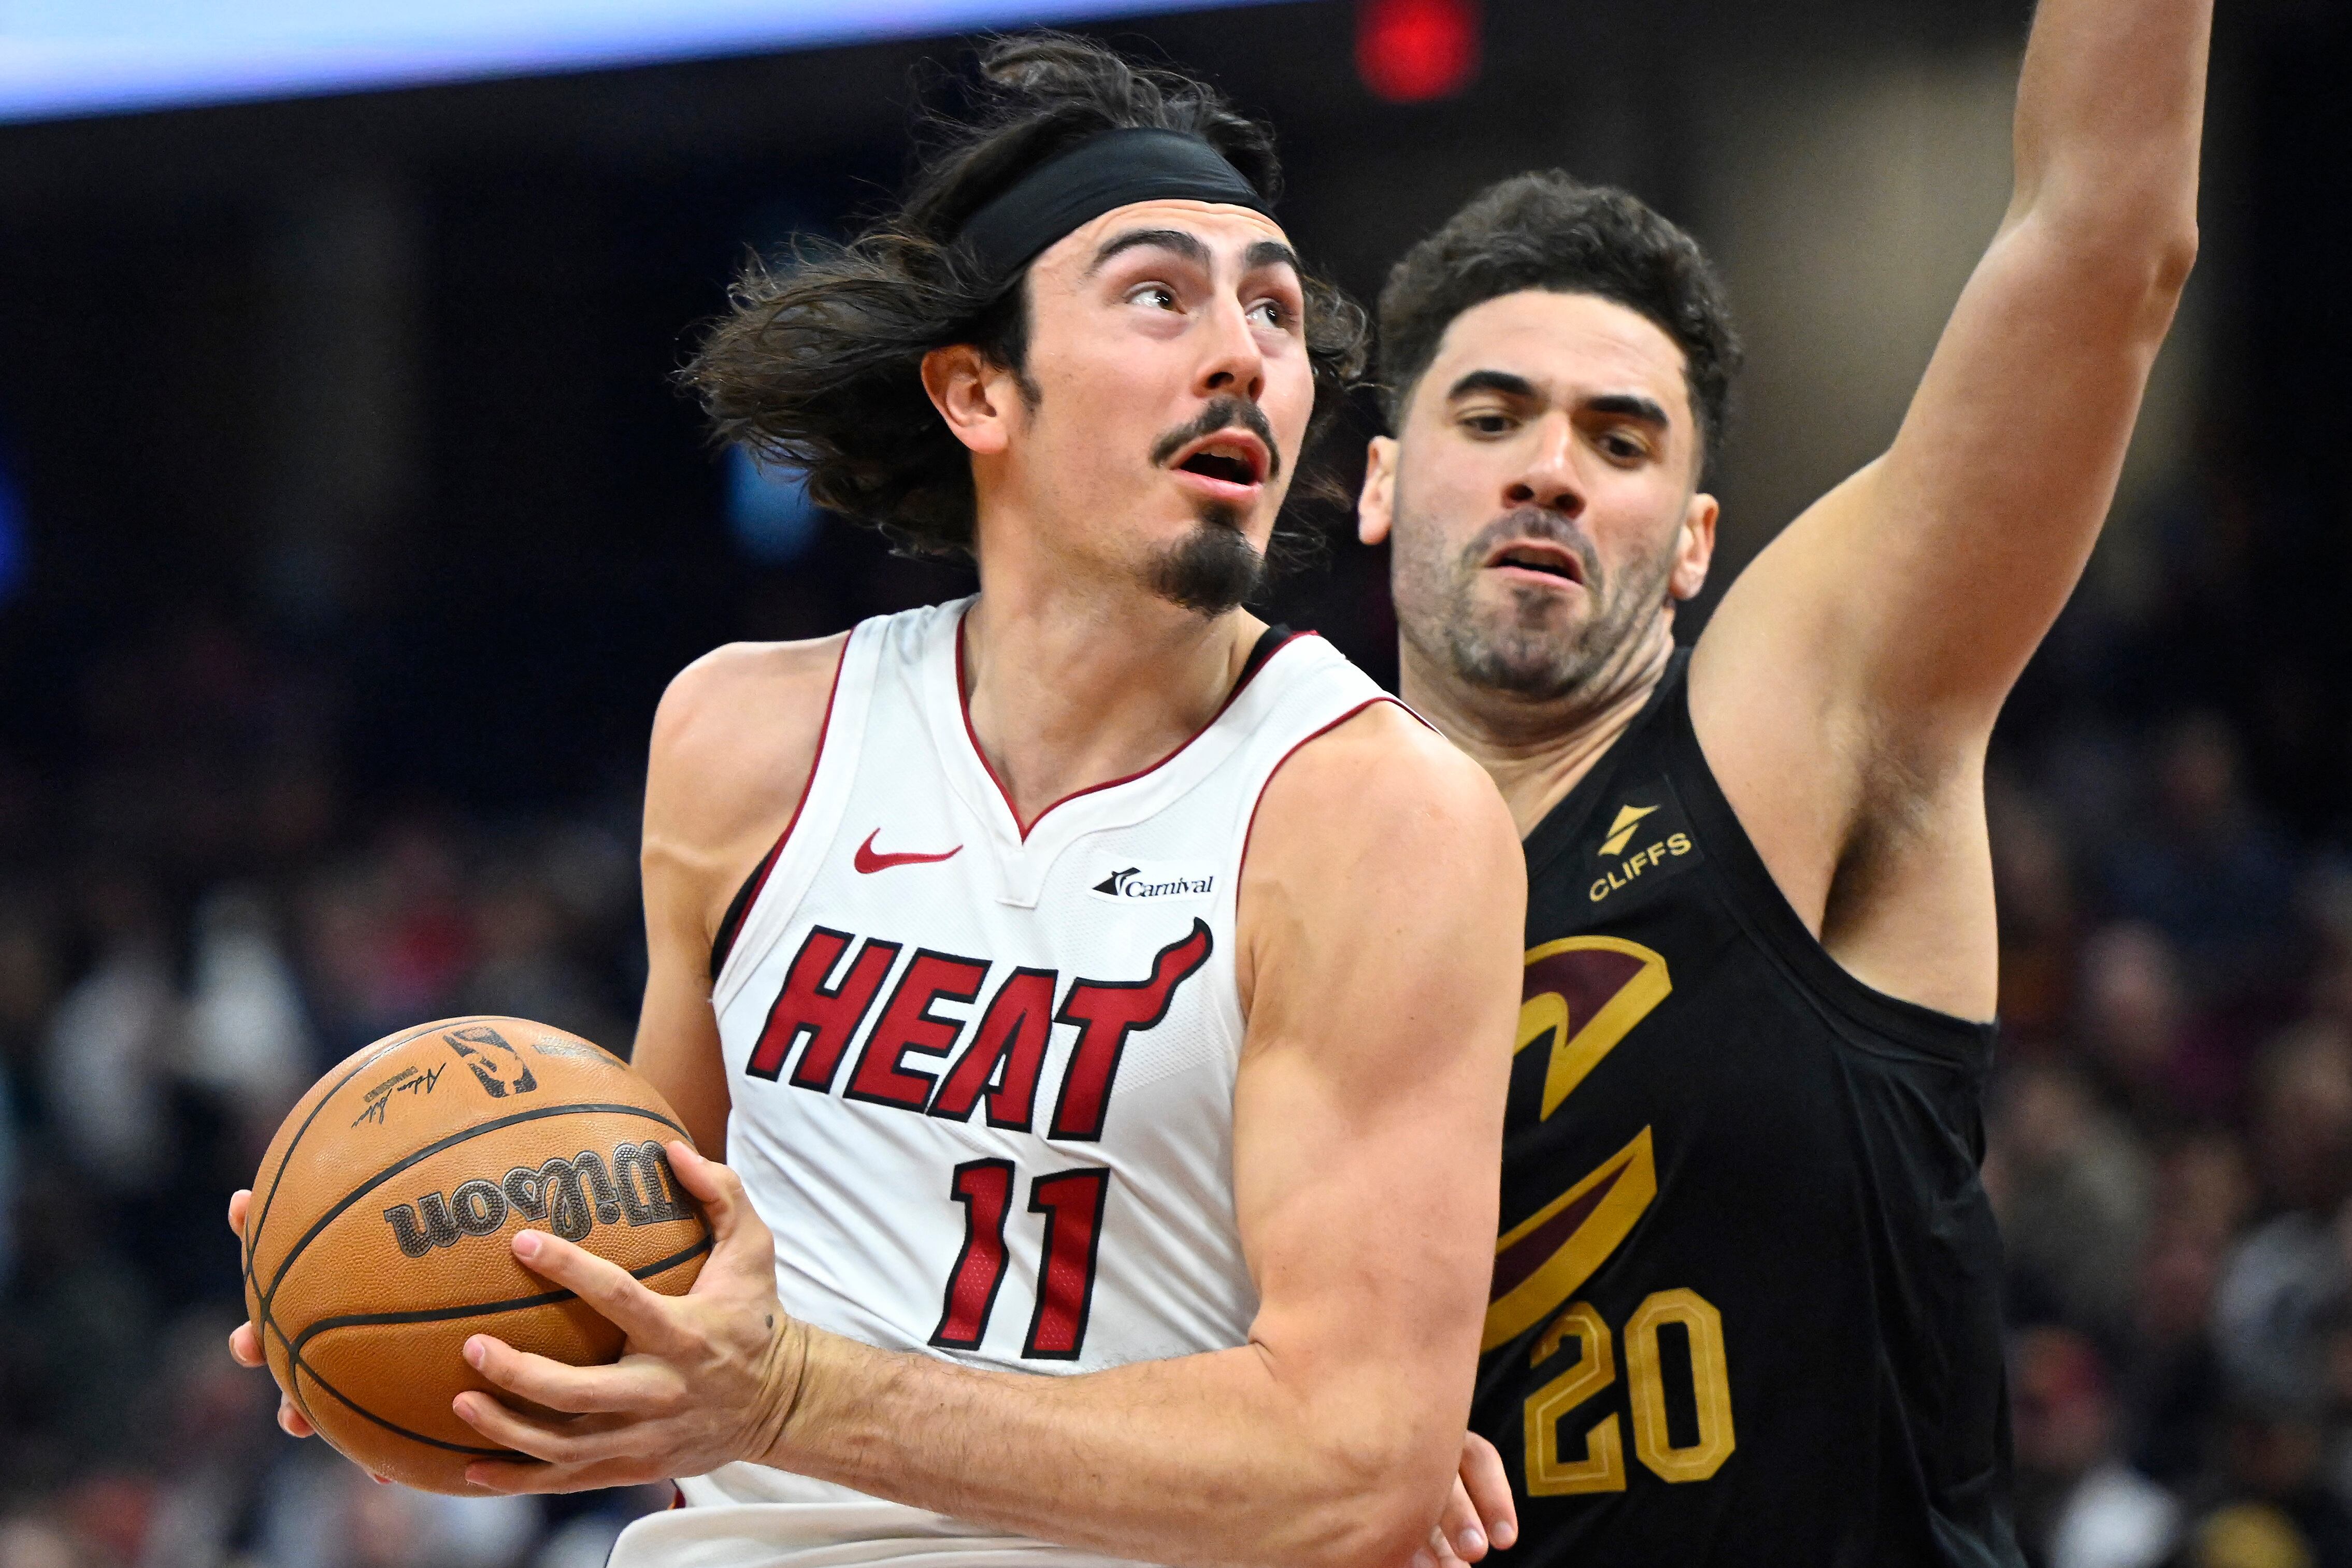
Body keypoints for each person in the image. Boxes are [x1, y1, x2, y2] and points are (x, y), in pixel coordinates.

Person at [227, 34, 1528, 1568]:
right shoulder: (745, 736)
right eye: (1160, 294)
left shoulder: (1373, 815)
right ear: (977, 389)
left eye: (1275, 311)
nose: (1243, 349)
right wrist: (402, 1303)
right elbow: (656, 1260)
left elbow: (1345, 1467)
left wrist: (785, 1397)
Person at [1353, 0, 2209, 1559]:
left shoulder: (1787, 736)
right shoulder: (1250, 863)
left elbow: (2102, 246)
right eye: (1491, 418)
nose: (1549, 464)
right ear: (1379, 480)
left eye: (1620, 441)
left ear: (1691, 544)